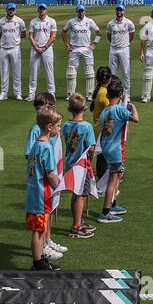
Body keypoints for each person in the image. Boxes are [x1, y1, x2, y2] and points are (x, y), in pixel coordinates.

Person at [25, 104, 63, 270]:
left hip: (34, 193)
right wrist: (63, 186)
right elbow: (51, 174)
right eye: (58, 126)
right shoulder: (46, 148)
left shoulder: (35, 145)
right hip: (42, 195)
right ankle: (37, 263)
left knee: (40, 228)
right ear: (50, 127)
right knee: (39, 231)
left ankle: (40, 259)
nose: (59, 129)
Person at [97, 80, 138, 224]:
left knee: (118, 175)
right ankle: (105, 212)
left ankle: (113, 205)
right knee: (112, 181)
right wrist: (132, 106)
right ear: (120, 95)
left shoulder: (105, 111)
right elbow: (135, 119)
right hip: (116, 150)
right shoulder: (119, 110)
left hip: (106, 148)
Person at [61, 94, 97, 240]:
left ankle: (77, 221)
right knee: (81, 195)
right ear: (85, 107)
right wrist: (90, 162)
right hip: (81, 165)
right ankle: (76, 226)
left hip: (70, 162)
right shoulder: (87, 127)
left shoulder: (66, 125)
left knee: (76, 194)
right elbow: (92, 148)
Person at [62, 3, 99, 99]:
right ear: (77, 12)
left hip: (87, 48)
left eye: (82, 11)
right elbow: (63, 32)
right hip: (74, 48)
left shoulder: (89, 21)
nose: (81, 12)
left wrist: (94, 43)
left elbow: (98, 32)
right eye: (79, 11)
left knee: (89, 71)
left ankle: (90, 94)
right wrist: (66, 44)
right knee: (71, 71)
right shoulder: (71, 21)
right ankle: (70, 94)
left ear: (84, 11)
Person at [27, 2, 58, 99]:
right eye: (40, 9)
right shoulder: (33, 21)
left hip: (47, 49)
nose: (41, 10)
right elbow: (30, 36)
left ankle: (51, 94)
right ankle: (31, 94)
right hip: (35, 49)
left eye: (43, 9)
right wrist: (36, 47)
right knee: (33, 73)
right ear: (38, 10)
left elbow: (53, 36)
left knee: (49, 72)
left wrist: (44, 47)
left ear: (46, 10)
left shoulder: (52, 21)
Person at [0, 2, 25, 101]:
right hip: (4, 49)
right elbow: (0, 34)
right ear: (6, 10)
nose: (11, 11)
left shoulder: (20, 21)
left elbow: (23, 34)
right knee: (4, 72)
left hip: (15, 48)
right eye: (9, 9)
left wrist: (15, 41)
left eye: (13, 9)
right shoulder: (1, 22)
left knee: (17, 72)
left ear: (15, 10)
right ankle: (4, 93)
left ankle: (18, 93)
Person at [106, 3, 136, 89]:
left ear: (124, 12)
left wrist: (126, 43)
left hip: (124, 49)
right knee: (112, 73)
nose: (119, 12)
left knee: (126, 72)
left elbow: (132, 35)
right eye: (118, 10)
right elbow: (109, 36)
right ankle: (112, 93)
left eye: (121, 10)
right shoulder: (111, 23)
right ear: (115, 11)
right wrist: (114, 44)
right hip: (113, 49)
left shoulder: (129, 23)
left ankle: (127, 95)